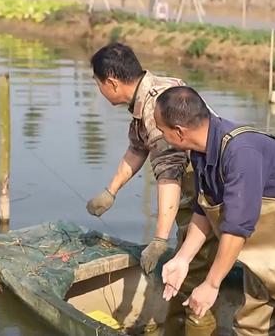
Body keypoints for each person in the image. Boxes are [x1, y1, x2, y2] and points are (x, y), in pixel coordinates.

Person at [156, 86, 275, 336]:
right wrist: (183, 259)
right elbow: (204, 208)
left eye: (162, 130)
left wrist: (211, 284)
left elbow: (236, 228)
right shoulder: (201, 153)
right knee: (250, 327)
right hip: (262, 253)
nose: (161, 136)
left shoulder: (241, 152)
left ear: (179, 132)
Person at [85, 43, 219, 334]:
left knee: (194, 263)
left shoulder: (155, 108)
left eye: (97, 84)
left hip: (206, 188)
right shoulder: (149, 94)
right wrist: (111, 191)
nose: (99, 90)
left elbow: (169, 174)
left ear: (112, 82)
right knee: (194, 254)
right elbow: (138, 148)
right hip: (204, 188)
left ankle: (198, 324)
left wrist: (159, 239)